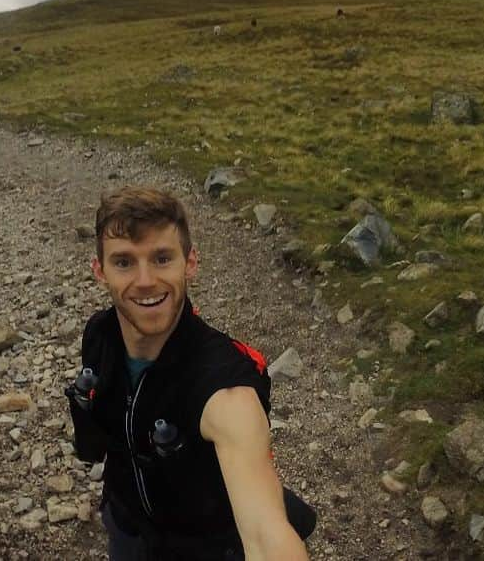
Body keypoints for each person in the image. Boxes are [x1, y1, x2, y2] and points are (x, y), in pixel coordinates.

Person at [67, 187, 313, 560]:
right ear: (99, 271)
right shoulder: (99, 335)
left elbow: (265, 533)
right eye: (124, 262)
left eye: (162, 258)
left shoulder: (225, 387)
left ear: (191, 263)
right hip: (127, 524)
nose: (146, 280)